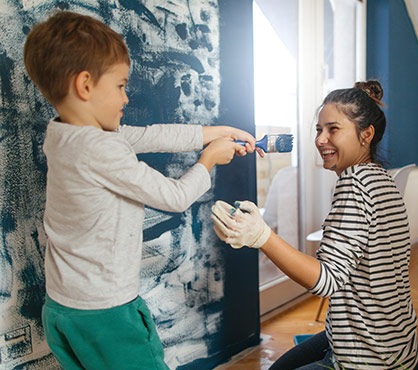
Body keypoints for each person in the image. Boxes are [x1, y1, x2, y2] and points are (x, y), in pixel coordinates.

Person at [23, 10, 257, 370]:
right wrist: (209, 160)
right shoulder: (102, 149)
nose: (126, 98)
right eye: (120, 86)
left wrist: (214, 131)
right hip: (106, 312)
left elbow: (151, 135)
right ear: (85, 85)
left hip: (63, 308)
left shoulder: (63, 135)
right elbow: (175, 197)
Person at [211, 80, 418, 370]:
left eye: (333, 129)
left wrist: (261, 236)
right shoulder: (381, 178)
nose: (321, 139)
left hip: (369, 359)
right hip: (398, 344)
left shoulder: (354, 185)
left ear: (366, 135)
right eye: (319, 130)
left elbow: (326, 281)